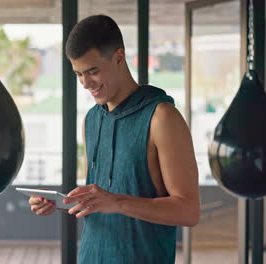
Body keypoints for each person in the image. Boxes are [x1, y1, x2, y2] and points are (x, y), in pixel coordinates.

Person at [29, 15, 200, 263]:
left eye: (92, 71)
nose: (86, 84)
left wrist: (118, 202)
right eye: (78, 74)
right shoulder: (90, 120)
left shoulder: (162, 117)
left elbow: (189, 211)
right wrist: (58, 203)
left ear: (119, 58)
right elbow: (97, 202)